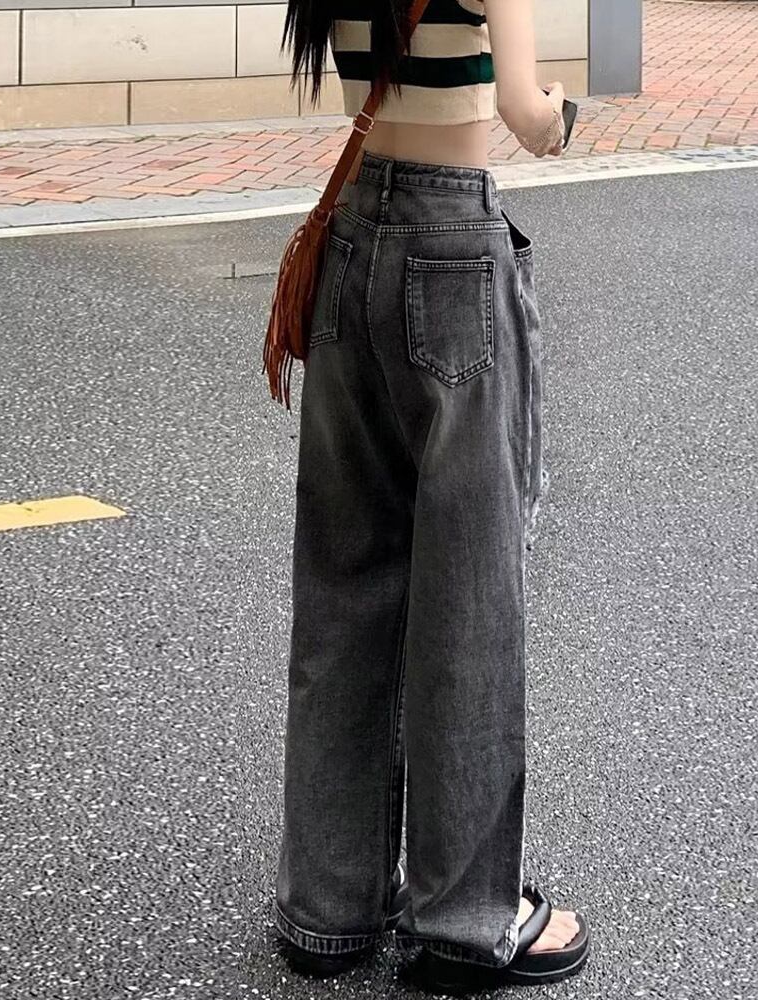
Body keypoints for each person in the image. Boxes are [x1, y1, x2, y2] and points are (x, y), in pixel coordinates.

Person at [272, 0, 589, 992]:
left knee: (345, 588)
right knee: (469, 599)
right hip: (451, 247)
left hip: (351, 243)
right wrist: (562, 109)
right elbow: (527, 117)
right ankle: (463, 918)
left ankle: (328, 907)